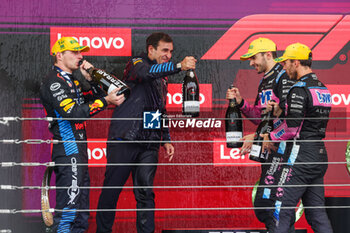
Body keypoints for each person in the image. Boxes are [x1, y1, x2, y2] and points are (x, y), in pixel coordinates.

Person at [96, 32, 197, 233]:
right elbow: (146, 74)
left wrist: (165, 138)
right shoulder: (136, 64)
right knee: (112, 190)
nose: (169, 55)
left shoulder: (163, 77)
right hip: (125, 138)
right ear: (151, 49)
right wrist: (178, 66)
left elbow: (161, 108)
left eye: (171, 52)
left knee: (145, 193)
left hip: (149, 142)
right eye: (164, 50)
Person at [39, 37, 125, 232]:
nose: (81, 56)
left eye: (81, 52)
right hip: (68, 148)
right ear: (59, 55)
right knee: (69, 208)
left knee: (81, 211)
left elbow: (93, 100)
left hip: (79, 149)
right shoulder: (54, 82)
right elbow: (74, 114)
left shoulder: (73, 79)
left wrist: (91, 79)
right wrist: (106, 101)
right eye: (75, 52)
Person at [262, 43, 333, 232]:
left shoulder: (298, 88)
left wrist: (270, 136)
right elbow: (306, 119)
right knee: (317, 213)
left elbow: (292, 129)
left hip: (300, 155)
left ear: (296, 62)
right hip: (318, 154)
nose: (284, 68)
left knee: (280, 209)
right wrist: (281, 111)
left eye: (286, 63)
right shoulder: (323, 88)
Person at [226, 37, 295, 231]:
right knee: (272, 206)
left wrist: (256, 137)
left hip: (283, 151)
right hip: (269, 152)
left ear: (268, 54)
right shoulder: (265, 80)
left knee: (271, 205)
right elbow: (260, 116)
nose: (251, 63)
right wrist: (241, 103)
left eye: (253, 57)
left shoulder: (284, 77)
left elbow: (289, 119)